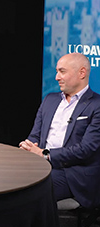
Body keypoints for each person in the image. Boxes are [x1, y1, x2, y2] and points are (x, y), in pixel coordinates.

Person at [19, 52, 100, 209]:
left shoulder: (97, 105)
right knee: (11, 179)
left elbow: (86, 149)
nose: (56, 77)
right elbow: (35, 135)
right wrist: (28, 146)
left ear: (82, 73)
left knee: (28, 191)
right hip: (42, 165)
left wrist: (45, 154)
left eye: (62, 71)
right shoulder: (50, 99)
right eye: (57, 71)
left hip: (74, 174)